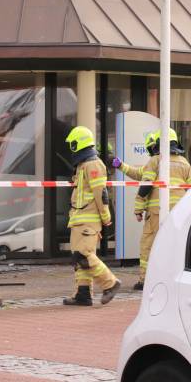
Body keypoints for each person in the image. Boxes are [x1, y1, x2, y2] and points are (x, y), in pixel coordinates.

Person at [116, 128, 191, 290]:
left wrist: (138, 208)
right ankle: (172, 278)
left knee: (148, 245)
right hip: (178, 214)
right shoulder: (184, 162)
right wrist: (122, 166)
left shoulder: (156, 160)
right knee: (173, 246)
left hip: (157, 212)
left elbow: (146, 185)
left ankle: (145, 281)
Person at [63, 125, 120, 307]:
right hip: (79, 219)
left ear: (79, 144)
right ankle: (83, 293)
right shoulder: (82, 166)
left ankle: (110, 283)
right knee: (78, 258)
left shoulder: (93, 164)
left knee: (83, 254)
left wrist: (105, 218)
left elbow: (100, 194)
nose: (70, 147)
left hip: (88, 219)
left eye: (72, 144)